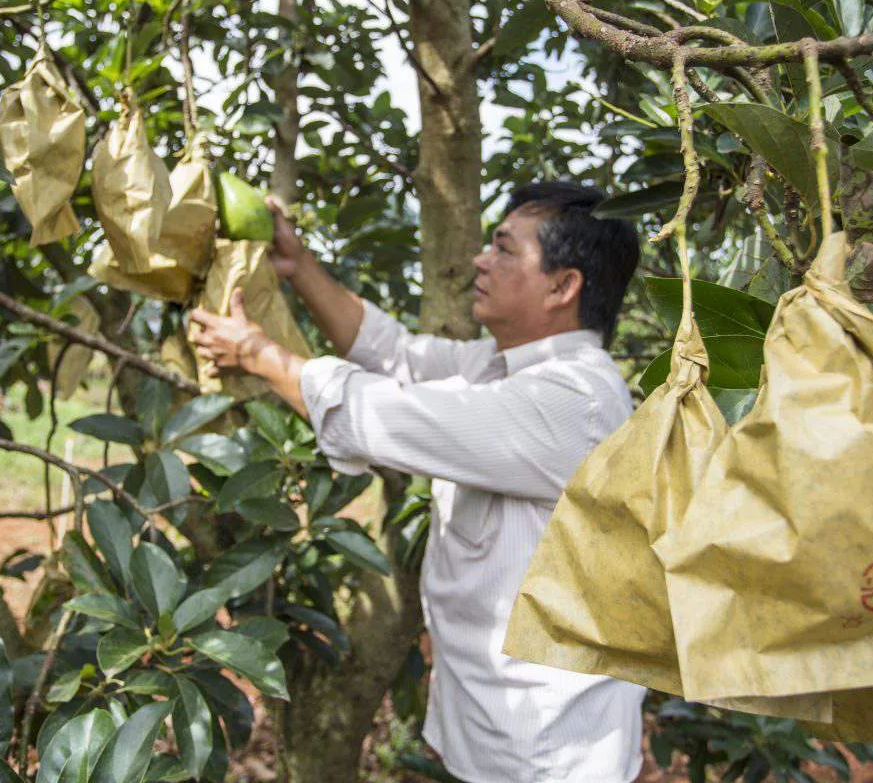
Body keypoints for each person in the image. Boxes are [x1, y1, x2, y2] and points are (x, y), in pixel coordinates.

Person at [190, 181, 646, 782]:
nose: (482, 260)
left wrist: (258, 354)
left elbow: (386, 413)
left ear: (564, 286)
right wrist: (297, 267)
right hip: (494, 731)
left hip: (547, 755)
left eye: (506, 250)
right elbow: (394, 353)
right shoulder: (504, 368)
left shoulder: (573, 402)